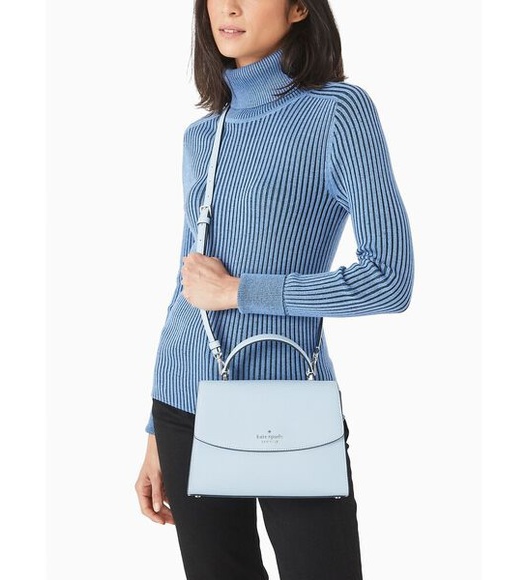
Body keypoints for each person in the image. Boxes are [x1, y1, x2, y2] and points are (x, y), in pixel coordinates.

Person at [134, 0, 414, 578]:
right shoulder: (202, 136)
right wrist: (155, 432)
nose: (228, 7)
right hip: (184, 407)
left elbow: (389, 279)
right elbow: (186, 287)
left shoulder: (338, 112)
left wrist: (242, 292)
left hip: (293, 407)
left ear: (298, 8)